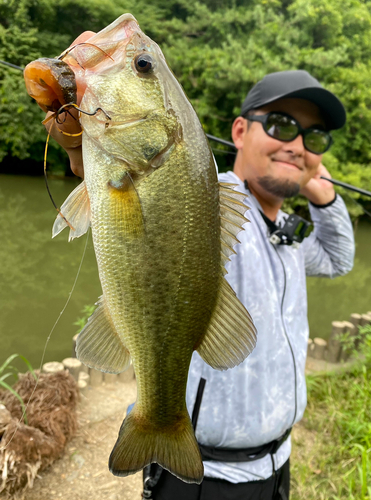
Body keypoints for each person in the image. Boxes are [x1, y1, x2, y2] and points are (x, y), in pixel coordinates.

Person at [46, 62, 355, 499]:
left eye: (314, 137)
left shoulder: (292, 234)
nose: (298, 145)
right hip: (197, 472)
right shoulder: (202, 197)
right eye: (283, 126)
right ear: (241, 131)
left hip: (277, 466)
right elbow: (154, 185)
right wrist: (85, 147)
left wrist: (326, 198)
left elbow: (339, 259)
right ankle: (159, 423)